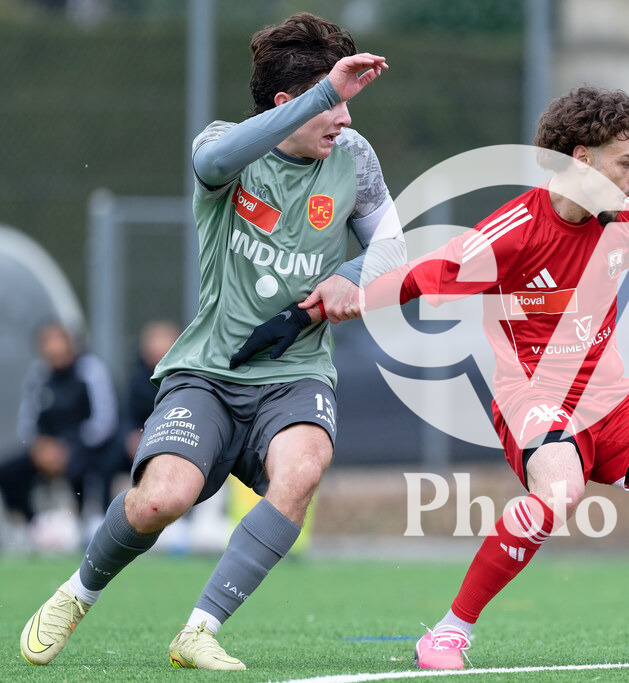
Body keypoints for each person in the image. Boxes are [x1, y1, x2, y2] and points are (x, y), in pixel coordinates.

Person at [242, 86, 629, 670]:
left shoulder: (624, 219)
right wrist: (328, 305)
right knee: (560, 493)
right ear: (581, 158)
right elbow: (429, 276)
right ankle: (450, 633)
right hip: (537, 404)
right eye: (627, 162)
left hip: (611, 405)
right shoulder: (516, 232)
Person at [20, 13, 401, 671]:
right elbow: (213, 160)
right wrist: (324, 92)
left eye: (342, 102)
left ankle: (198, 629)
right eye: (329, 104)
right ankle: (77, 592)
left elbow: (392, 247)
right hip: (209, 373)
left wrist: (350, 277)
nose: (343, 119)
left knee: (301, 468)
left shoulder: (353, 156)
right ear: (287, 105)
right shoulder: (225, 146)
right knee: (157, 500)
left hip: (296, 374)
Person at [0, 322, 119, 539]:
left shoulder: (90, 369)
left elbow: (104, 420)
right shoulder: (38, 375)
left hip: (84, 446)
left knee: (82, 467)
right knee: (7, 470)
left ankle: (85, 523)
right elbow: (27, 420)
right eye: (47, 343)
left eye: (58, 341)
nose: (53, 349)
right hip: (46, 448)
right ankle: (29, 527)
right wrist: (40, 446)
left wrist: (68, 446)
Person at [112, 320, 182, 504]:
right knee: (107, 459)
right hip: (140, 442)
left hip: (176, 438)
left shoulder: (185, 379)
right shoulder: (137, 379)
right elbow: (126, 416)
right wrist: (130, 437)